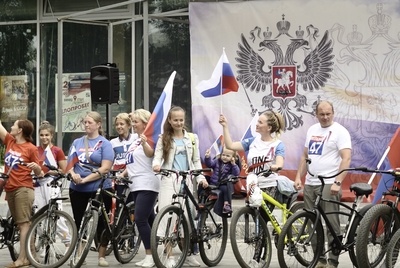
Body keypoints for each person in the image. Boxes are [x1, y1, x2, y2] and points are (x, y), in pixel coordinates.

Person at [294, 100, 352, 268]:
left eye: (328, 114)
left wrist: (337, 182)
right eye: (322, 114)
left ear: (333, 113)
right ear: (316, 115)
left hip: (329, 183)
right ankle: (319, 260)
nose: (325, 117)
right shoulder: (312, 130)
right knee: (312, 223)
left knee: (331, 224)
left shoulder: (340, 131)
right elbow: (305, 156)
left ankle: (333, 262)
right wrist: (298, 177)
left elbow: (346, 158)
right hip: (310, 182)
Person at [153, 106, 207, 268]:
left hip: (188, 179)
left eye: (181, 120)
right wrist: (156, 166)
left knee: (187, 218)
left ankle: (188, 253)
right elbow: (157, 158)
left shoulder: (191, 138)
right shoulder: (164, 138)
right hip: (169, 179)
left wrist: (200, 177)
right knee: (168, 217)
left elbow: (196, 161)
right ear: (169, 120)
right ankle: (169, 255)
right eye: (175, 120)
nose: (178, 122)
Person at [67, 111, 114, 267]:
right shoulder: (77, 142)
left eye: (89, 122)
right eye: (85, 122)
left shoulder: (105, 143)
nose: (86, 125)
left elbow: (106, 168)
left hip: (99, 187)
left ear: (98, 124)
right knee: (79, 221)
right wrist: (73, 175)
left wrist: (85, 179)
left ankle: (101, 255)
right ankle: (80, 254)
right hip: (77, 189)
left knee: (102, 222)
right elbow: (69, 165)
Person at [116, 109, 160, 268]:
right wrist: (122, 174)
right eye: (133, 122)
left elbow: (150, 155)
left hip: (147, 183)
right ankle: (161, 252)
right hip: (135, 184)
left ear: (144, 123)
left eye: (136, 122)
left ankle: (150, 255)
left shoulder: (151, 138)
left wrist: (144, 142)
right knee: (150, 220)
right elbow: (133, 162)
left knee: (140, 219)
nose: (133, 124)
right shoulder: (135, 139)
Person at [0, 119, 44, 268]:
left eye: (14, 125)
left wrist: (36, 167)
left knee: (24, 224)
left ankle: (22, 259)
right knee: (22, 224)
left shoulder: (31, 148)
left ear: (20, 130)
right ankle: (32, 256)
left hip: (23, 188)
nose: (11, 126)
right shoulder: (10, 141)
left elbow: (40, 174)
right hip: (10, 188)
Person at [219, 111, 286, 206]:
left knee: (263, 218)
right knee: (253, 214)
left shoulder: (278, 144)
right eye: (257, 121)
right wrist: (225, 126)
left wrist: (276, 166)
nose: (257, 124)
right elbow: (230, 145)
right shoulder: (252, 141)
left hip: (269, 186)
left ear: (269, 128)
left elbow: (280, 163)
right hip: (252, 185)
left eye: (260, 122)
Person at [35, 121, 71, 257]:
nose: (44, 138)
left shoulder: (57, 151)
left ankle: (67, 243)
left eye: (47, 135)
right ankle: (46, 245)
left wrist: (48, 173)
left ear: (52, 136)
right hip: (38, 186)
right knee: (40, 218)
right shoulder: (35, 150)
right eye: (41, 135)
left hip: (52, 185)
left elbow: (63, 171)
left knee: (57, 216)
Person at [203, 146, 240, 213]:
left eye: (228, 156)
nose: (225, 157)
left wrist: (234, 164)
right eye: (223, 155)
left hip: (223, 185)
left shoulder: (232, 165)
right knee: (203, 182)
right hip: (213, 183)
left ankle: (226, 204)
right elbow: (209, 164)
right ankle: (201, 202)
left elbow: (236, 173)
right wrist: (208, 157)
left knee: (225, 189)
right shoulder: (217, 162)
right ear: (220, 155)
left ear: (233, 157)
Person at [109, 113, 136, 205]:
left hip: (133, 177)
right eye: (117, 124)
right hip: (119, 179)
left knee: (134, 204)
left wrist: (134, 116)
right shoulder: (113, 142)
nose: (119, 127)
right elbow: (111, 160)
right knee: (121, 206)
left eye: (121, 124)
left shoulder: (135, 138)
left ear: (129, 125)